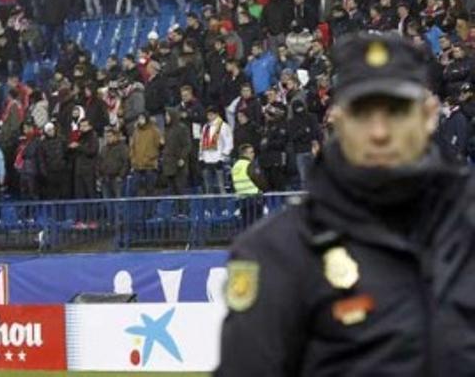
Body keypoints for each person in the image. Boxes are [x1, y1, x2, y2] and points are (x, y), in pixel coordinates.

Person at [218, 33, 475, 376]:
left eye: (397, 110)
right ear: (337, 121)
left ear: (429, 114)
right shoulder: (279, 252)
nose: (380, 132)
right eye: (363, 112)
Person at [230, 144, 268, 227]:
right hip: (253, 198)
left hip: (242, 199)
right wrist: (264, 189)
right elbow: (259, 180)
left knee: (246, 225)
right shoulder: (250, 165)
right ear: (244, 154)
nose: (253, 154)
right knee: (257, 226)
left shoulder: (235, 166)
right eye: (251, 152)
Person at [199, 107, 233, 193]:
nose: (209, 116)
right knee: (208, 186)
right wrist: (201, 157)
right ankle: (209, 205)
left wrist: (223, 157)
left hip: (218, 159)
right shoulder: (206, 127)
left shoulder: (223, 126)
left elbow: (228, 142)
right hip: (207, 160)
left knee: (221, 185)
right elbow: (202, 142)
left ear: (216, 114)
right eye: (208, 115)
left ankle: (224, 204)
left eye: (211, 114)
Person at [162, 108, 193, 195]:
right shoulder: (166, 129)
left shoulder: (182, 128)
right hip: (168, 165)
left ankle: (183, 208)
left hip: (179, 165)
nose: (166, 118)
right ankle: (174, 209)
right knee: (171, 192)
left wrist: (182, 158)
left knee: (180, 191)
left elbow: (187, 145)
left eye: (167, 115)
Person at [129, 113, 161, 196]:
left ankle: (151, 208)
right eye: (139, 118)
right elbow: (132, 146)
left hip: (150, 165)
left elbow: (158, 145)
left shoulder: (154, 131)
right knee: (136, 189)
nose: (140, 120)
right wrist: (133, 159)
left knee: (150, 190)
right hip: (137, 165)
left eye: (142, 118)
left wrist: (151, 157)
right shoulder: (136, 131)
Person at [69, 119, 99, 199]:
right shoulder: (80, 137)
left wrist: (79, 146)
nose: (82, 128)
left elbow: (92, 151)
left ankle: (92, 211)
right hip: (79, 170)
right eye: (81, 126)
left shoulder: (93, 136)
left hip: (89, 170)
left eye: (85, 126)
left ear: (90, 126)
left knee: (90, 194)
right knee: (80, 195)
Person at [98, 127, 130, 198]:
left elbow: (126, 162)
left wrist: (121, 176)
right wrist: (100, 176)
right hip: (105, 179)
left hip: (116, 179)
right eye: (107, 136)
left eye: (110, 136)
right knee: (107, 202)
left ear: (115, 136)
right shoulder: (104, 148)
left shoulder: (122, 148)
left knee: (118, 202)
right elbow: (99, 162)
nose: (108, 138)